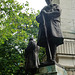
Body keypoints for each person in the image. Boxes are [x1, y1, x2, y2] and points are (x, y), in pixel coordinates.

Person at [36, 0, 64, 65]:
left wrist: (47, 14)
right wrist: (41, 15)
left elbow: (57, 12)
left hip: (53, 26)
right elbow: (38, 18)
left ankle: (53, 59)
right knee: (47, 42)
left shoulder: (56, 6)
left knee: (53, 42)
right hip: (46, 28)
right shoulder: (44, 8)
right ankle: (49, 59)